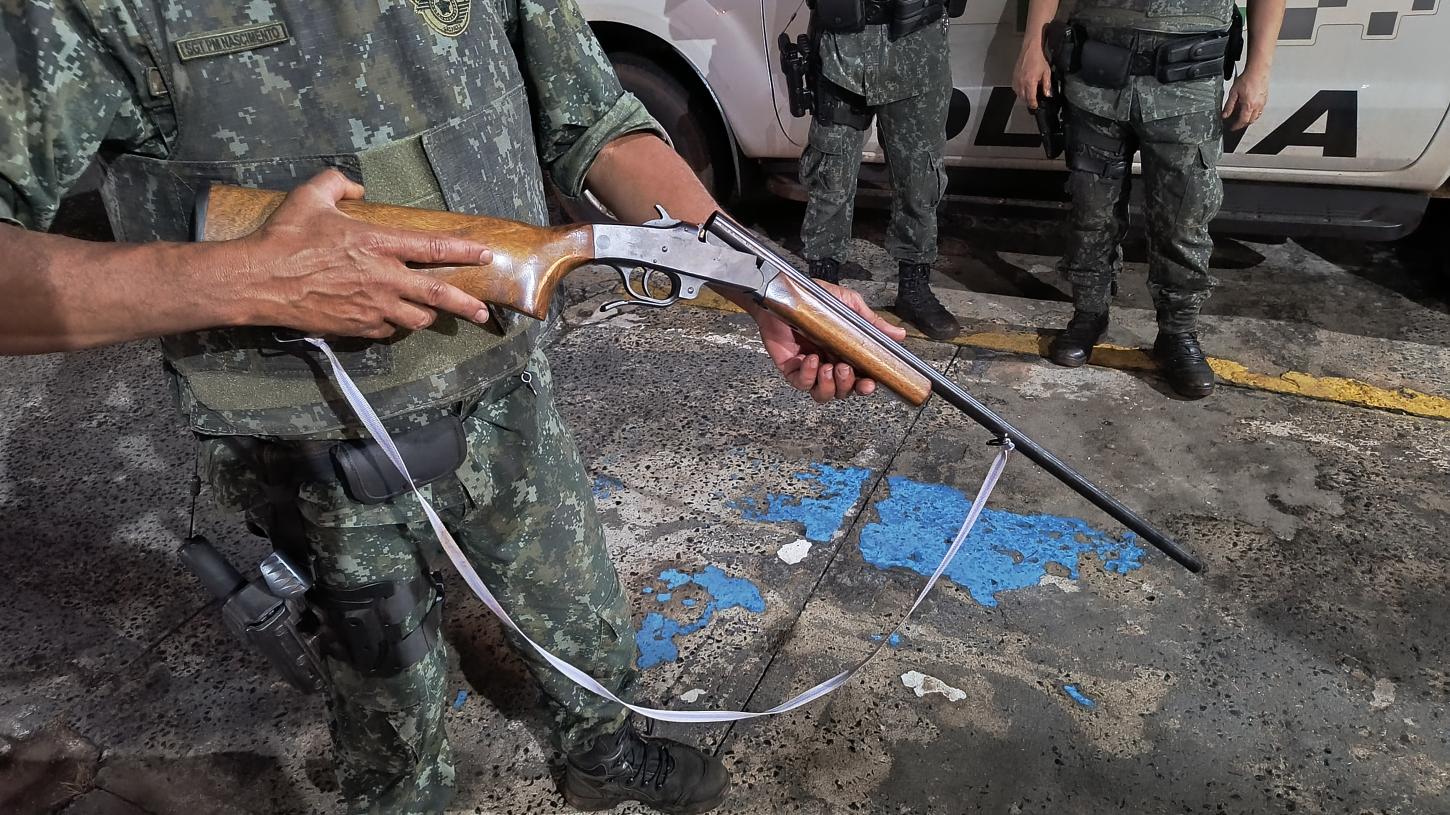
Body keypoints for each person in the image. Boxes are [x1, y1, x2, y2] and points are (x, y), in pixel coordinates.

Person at [0, 2, 906, 812]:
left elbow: (598, 125)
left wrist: (765, 285)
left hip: (505, 389)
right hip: (309, 438)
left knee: (582, 617)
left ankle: (598, 751)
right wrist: (246, 276)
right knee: (391, 715)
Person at [1013, 0, 1285, 398]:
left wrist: (1258, 71)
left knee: (1183, 219)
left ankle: (1177, 333)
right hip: (1096, 73)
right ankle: (1088, 314)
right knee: (1091, 209)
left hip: (1188, 81)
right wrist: (1032, 46)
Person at [797, 0, 965, 341]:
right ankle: (823, 285)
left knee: (920, 179)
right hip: (841, 45)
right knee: (831, 175)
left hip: (919, 44)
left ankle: (914, 288)